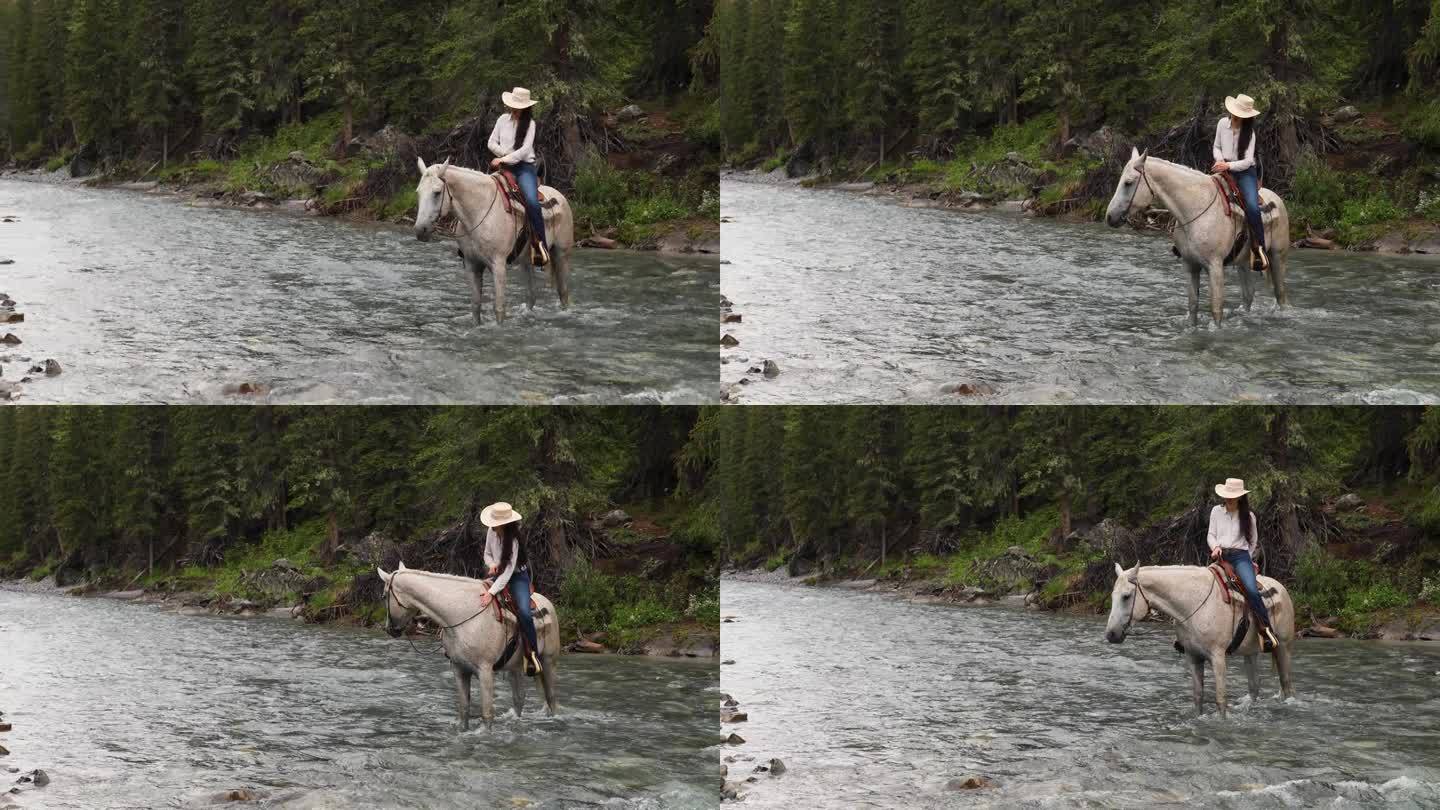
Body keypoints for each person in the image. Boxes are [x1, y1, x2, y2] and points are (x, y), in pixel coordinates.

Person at [1207, 477, 1279, 652]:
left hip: (1240, 557)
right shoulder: (1216, 511)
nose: (1229, 498)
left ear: (1240, 496)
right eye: (1227, 495)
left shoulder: (1249, 516)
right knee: (1200, 586)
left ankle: (1266, 629)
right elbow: (1211, 534)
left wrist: (1245, 556)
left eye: (1233, 495)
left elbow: (1253, 541)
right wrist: (1215, 547)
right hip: (1220, 555)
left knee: (1251, 589)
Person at [487, 86, 549, 267]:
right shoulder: (502, 120)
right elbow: (491, 142)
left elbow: (524, 152)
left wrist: (502, 158)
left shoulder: (531, 124)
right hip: (504, 166)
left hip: (523, 168)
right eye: (512, 105)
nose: (513, 109)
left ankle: (540, 246)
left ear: (526, 107)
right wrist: (503, 156)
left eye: (517, 106)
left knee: (531, 201)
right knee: (481, 192)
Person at [480, 501, 542, 675]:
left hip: (516, 577)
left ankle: (533, 654)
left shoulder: (513, 540)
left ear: (505, 523)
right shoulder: (491, 532)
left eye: (496, 523)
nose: (493, 526)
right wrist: (491, 564)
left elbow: (508, 573)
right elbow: (487, 553)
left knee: (523, 612)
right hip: (497, 573)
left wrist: (491, 593)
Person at [1211, 94, 1267, 273]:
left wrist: (1227, 165)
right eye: (1236, 114)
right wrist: (1220, 161)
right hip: (1223, 168)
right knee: (1202, 193)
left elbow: (1249, 161)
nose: (1237, 118)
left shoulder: (1249, 133)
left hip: (1244, 172)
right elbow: (1217, 146)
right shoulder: (1221, 124)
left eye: (1241, 116)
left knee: (1251, 206)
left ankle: (1259, 247)